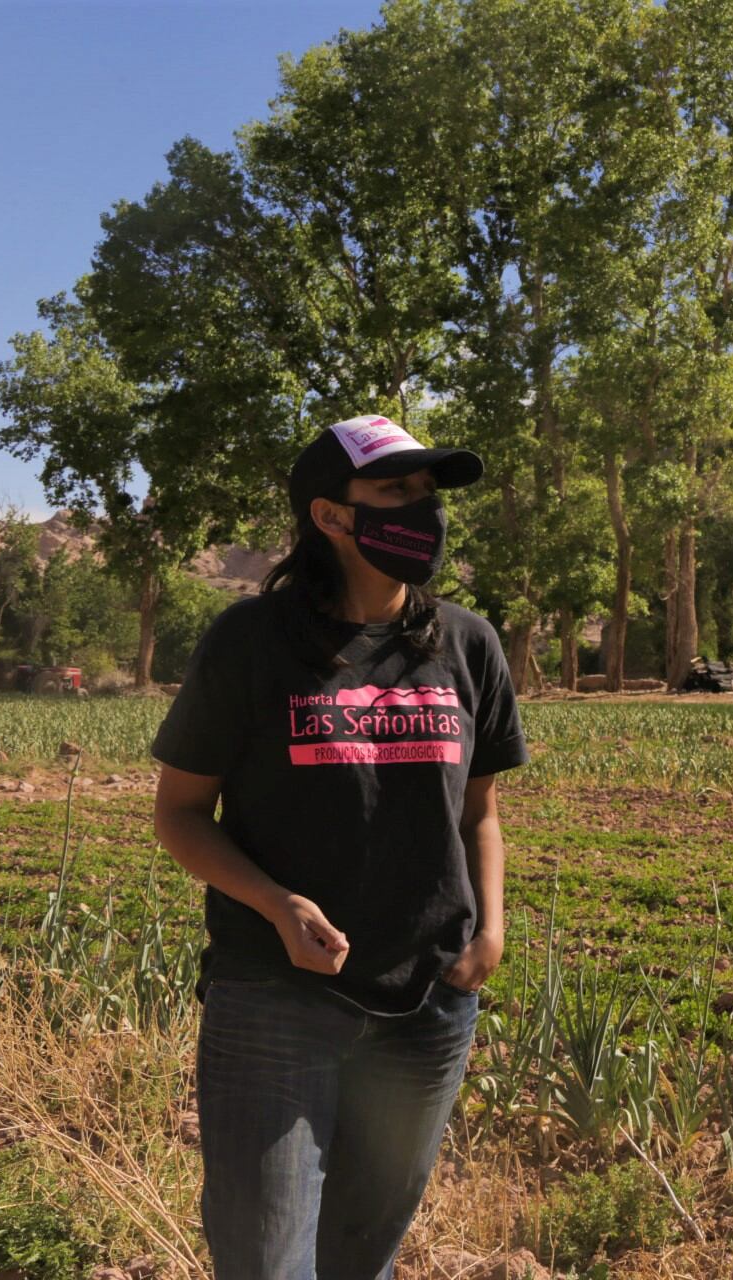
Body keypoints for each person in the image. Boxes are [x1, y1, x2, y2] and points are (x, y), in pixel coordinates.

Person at [152, 415, 528, 1277]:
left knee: (364, 1257)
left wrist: (490, 931)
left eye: (427, 495)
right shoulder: (250, 644)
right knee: (267, 1261)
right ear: (330, 515)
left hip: (426, 1007)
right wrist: (278, 906)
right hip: (275, 1000)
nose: (422, 512)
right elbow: (178, 814)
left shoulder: (468, 644)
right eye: (395, 492)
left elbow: (481, 814)